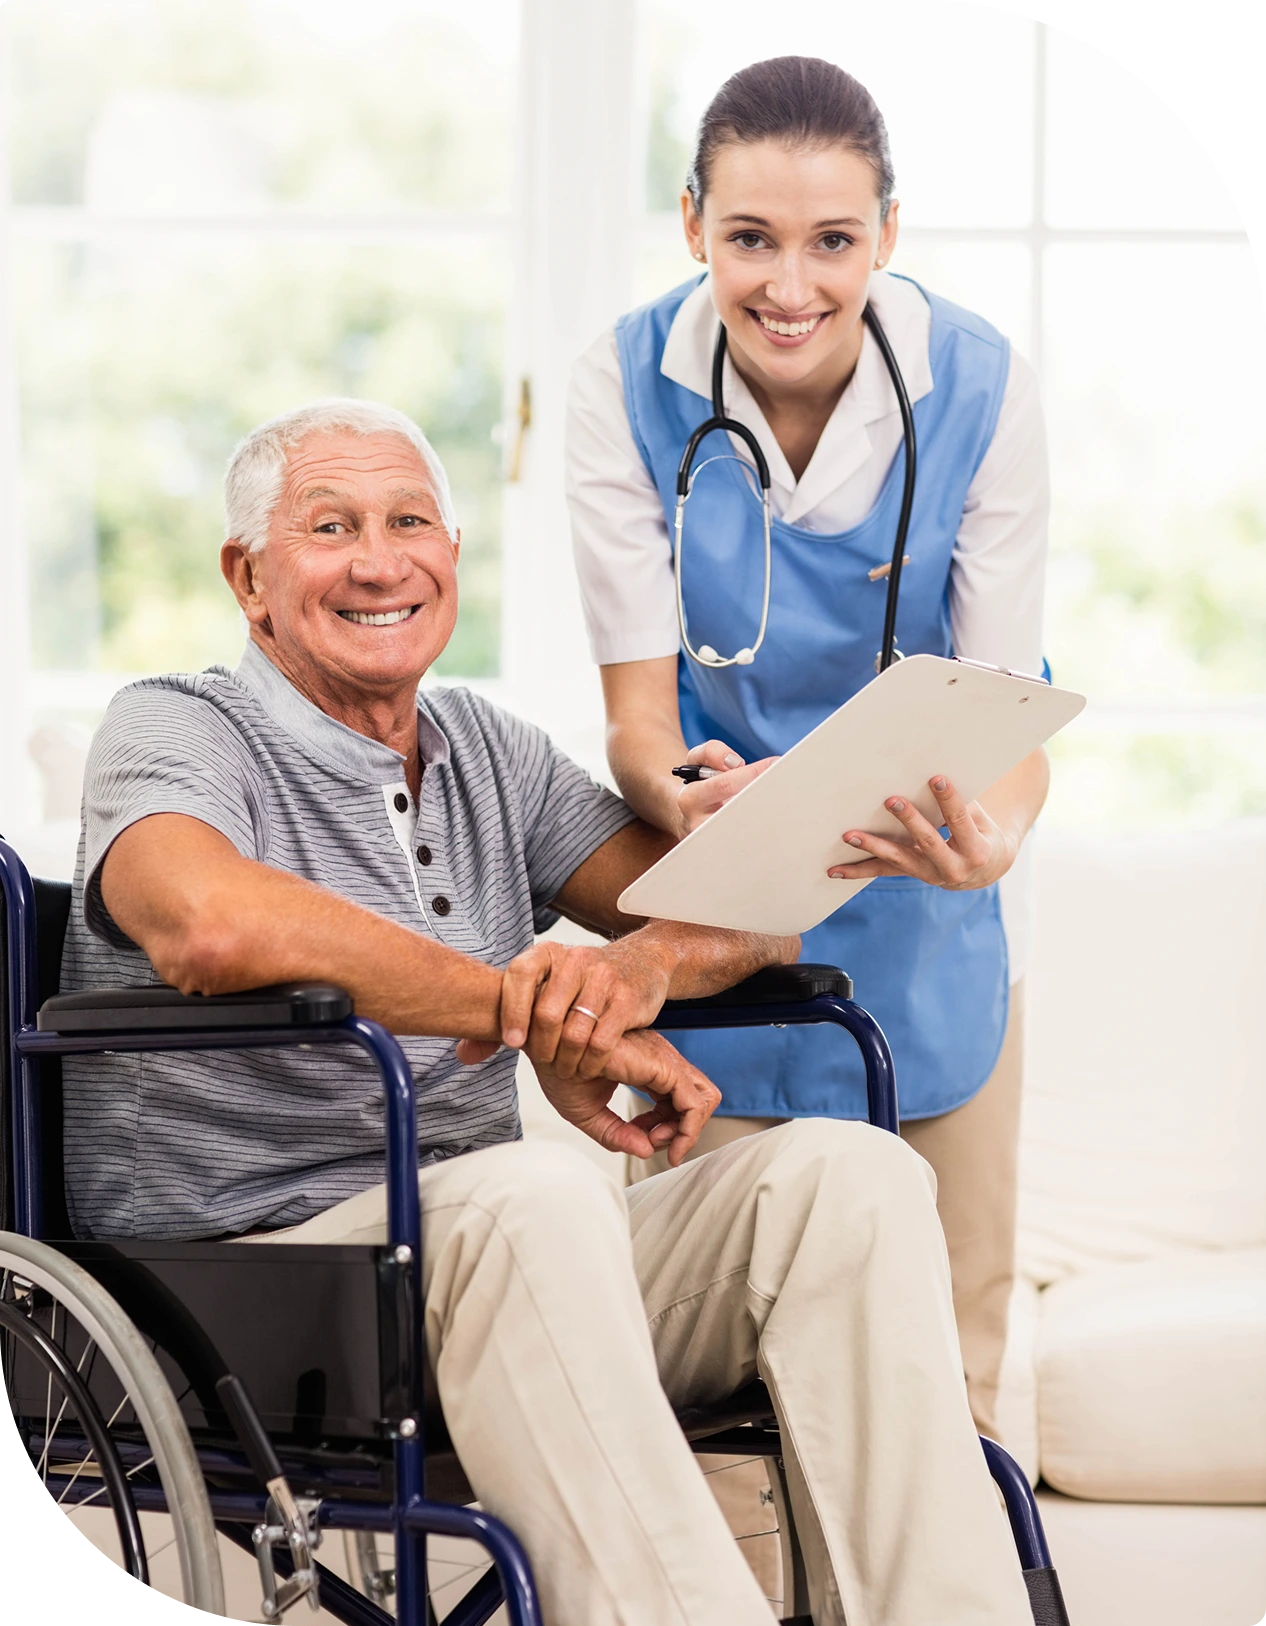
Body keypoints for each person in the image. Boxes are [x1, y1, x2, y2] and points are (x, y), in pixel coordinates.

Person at [60, 399, 1031, 1625]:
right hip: (245, 1291)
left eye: (411, 520)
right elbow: (207, 921)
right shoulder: (178, 726)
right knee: (537, 1191)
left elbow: (745, 914)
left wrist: (633, 976)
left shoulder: (482, 747)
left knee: (846, 1181)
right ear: (247, 578)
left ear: (452, 559)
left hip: (490, 1261)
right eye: (331, 526)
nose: (380, 559)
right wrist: (524, 1007)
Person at [566, 56, 1049, 1438]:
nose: (791, 285)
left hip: (925, 927)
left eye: (832, 241)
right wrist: (682, 796)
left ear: (885, 234)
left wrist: (987, 844)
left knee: (935, 1398)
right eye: (749, 239)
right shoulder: (621, 382)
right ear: (690, 224)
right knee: (706, 1400)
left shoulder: (981, 387)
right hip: (722, 915)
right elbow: (637, 717)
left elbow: (1006, 704)